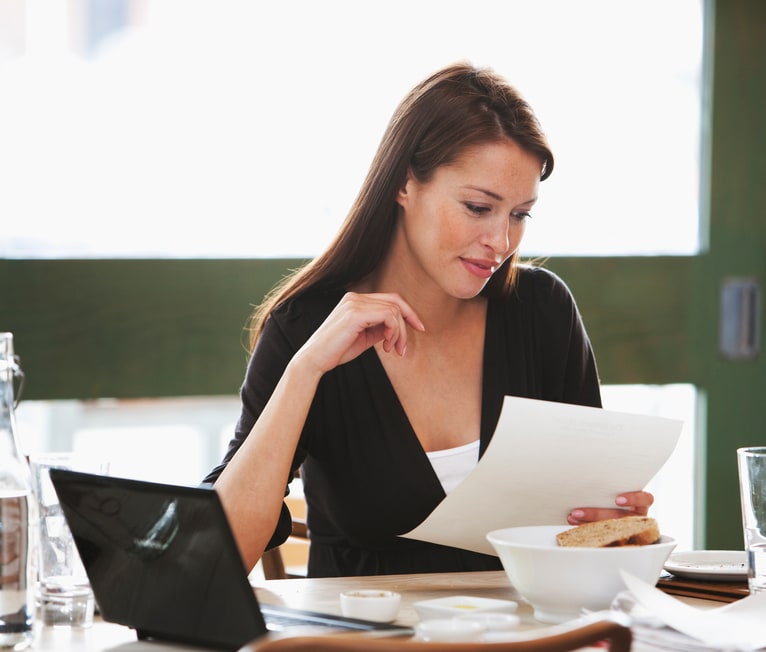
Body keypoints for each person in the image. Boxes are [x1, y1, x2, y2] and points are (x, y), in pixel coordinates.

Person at [204, 62, 654, 577]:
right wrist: (305, 371)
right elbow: (220, 558)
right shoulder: (307, 325)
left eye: (519, 214)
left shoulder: (542, 310)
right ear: (403, 184)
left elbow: (589, 531)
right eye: (478, 207)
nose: (501, 243)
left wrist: (611, 528)